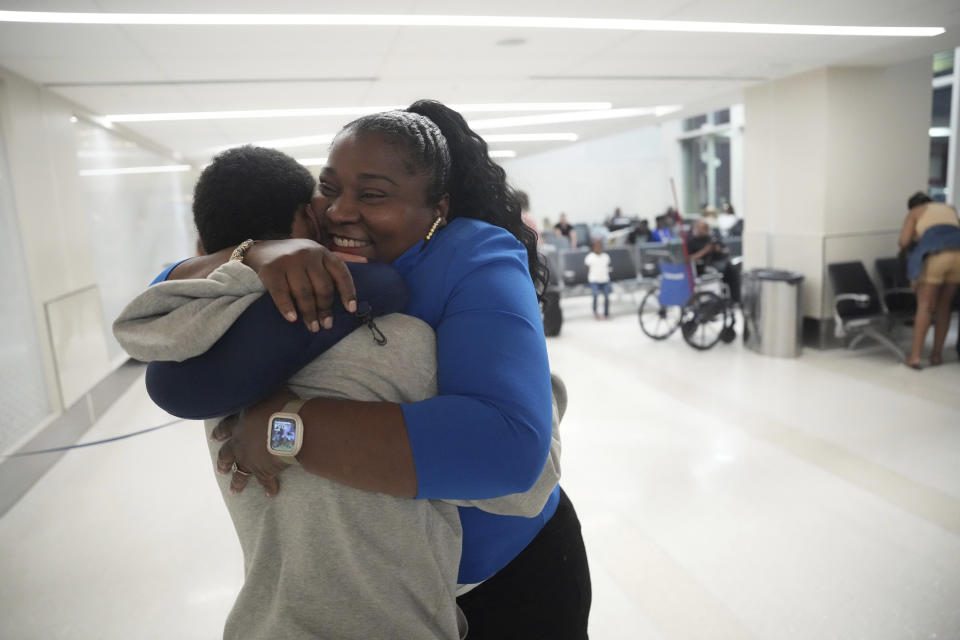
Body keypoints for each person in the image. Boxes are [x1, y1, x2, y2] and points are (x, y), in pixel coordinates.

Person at [138, 101, 591, 638]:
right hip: (410, 587)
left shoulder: (474, 254)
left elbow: (508, 453)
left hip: (508, 576)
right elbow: (163, 314)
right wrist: (252, 252)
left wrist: (288, 429)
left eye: (372, 194)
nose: (339, 211)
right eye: (329, 188)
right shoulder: (320, 257)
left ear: (437, 208)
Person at [115, 145, 470, 639]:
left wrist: (284, 429)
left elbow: (141, 319)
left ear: (202, 248)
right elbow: (512, 483)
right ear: (310, 218)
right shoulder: (399, 342)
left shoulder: (195, 346)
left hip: (267, 623)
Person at [899, 191, 960, 369]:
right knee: (944, 306)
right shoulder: (949, 209)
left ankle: (915, 357)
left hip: (936, 256)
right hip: (959, 255)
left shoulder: (915, 212)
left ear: (913, 205)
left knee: (925, 306)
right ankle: (936, 356)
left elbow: (904, 242)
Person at [687, 220, 741, 304]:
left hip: (719, 262)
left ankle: (734, 299)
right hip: (704, 266)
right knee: (730, 270)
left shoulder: (711, 239)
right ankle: (733, 299)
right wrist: (706, 250)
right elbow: (689, 258)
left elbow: (726, 250)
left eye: (706, 228)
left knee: (733, 269)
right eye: (702, 228)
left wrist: (719, 250)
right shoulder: (691, 241)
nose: (704, 230)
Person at [585, 238, 612, 319]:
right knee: (595, 295)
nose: (598, 248)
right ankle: (595, 312)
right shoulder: (589, 257)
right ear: (593, 247)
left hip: (605, 280)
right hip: (594, 281)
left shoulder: (606, 256)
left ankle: (606, 313)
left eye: (600, 246)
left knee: (607, 297)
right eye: (597, 246)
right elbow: (587, 269)